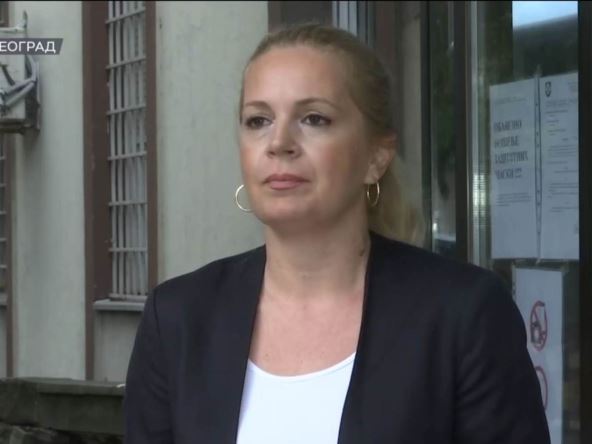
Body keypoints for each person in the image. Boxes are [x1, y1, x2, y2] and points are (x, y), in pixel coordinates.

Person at [124, 23, 550, 444]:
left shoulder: (464, 314)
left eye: (314, 118)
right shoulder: (178, 318)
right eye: (258, 120)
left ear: (376, 156)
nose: (279, 142)